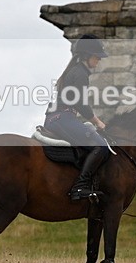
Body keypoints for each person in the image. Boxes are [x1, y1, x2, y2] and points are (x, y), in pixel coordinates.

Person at [44, 34, 111, 201]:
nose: (99, 60)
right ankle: (79, 187)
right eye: (97, 57)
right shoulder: (80, 73)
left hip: (60, 117)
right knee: (101, 146)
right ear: (87, 56)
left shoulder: (75, 71)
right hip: (61, 118)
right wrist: (97, 122)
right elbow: (80, 102)